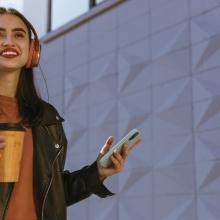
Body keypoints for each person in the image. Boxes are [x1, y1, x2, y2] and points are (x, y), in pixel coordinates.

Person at [0, 7, 131, 220]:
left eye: (18, 34)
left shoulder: (45, 117)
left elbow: (53, 193)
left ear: (32, 51)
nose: (8, 41)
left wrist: (97, 172)